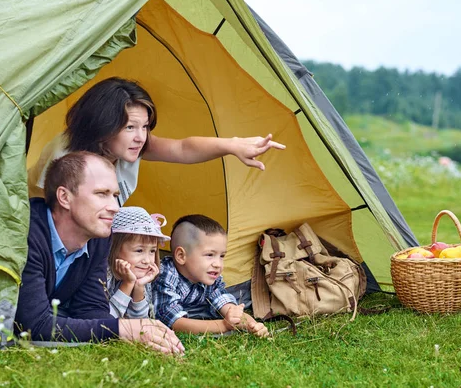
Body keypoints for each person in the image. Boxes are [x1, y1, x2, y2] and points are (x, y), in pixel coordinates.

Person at [15, 151, 184, 354]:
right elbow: (32, 323)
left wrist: (135, 330)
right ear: (64, 197)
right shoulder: (26, 231)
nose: (115, 207)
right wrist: (121, 328)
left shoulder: (99, 239)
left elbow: (90, 309)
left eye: (115, 196)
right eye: (101, 194)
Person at [28, 77, 286, 205]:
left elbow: (182, 148)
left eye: (145, 126)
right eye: (130, 127)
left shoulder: (131, 146)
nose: (140, 137)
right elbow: (45, 219)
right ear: (103, 126)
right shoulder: (64, 155)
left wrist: (232, 145)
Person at [153, 214, 269, 337]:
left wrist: (252, 324)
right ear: (181, 256)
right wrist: (223, 325)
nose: (218, 264)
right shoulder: (165, 276)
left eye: (222, 256)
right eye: (209, 255)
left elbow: (226, 305)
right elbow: (174, 322)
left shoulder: (209, 276)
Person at [107, 207, 169, 319]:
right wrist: (127, 284)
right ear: (114, 248)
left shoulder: (141, 276)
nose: (147, 261)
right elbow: (105, 321)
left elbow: (140, 324)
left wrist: (139, 286)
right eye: (139, 250)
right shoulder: (102, 276)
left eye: (152, 251)